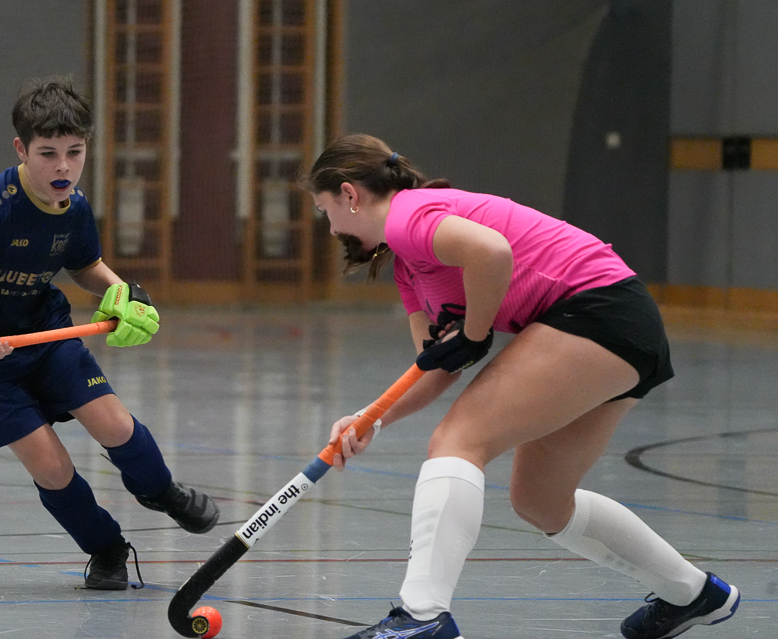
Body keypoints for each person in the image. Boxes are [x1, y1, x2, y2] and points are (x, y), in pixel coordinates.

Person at [301, 133, 740, 639]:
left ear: (350, 194)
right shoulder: (407, 267)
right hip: (621, 325)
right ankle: (692, 592)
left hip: (599, 310)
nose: (331, 227)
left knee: (458, 441)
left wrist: (474, 333)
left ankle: (422, 616)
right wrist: (372, 417)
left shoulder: (409, 216)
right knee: (540, 499)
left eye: (325, 210)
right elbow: (437, 365)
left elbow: (492, 252)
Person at [0, 76, 219, 591]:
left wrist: (121, 291)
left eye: (75, 152)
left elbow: (84, 265)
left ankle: (160, 491)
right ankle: (107, 548)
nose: (63, 167)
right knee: (51, 467)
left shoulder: (76, 208)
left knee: (114, 424)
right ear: (21, 149)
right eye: (48, 154)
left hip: (45, 337)